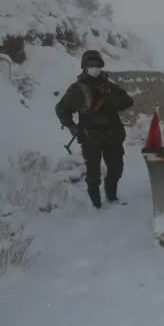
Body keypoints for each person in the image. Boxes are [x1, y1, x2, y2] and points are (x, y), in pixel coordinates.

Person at [55, 49, 134, 209]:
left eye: (96, 64)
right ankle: (96, 205)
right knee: (93, 174)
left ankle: (112, 197)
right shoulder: (78, 89)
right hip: (90, 136)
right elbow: (62, 109)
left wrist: (114, 101)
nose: (94, 67)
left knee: (116, 170)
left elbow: (128, 101)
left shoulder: (109, 86)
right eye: (90, 64)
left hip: (112, 135)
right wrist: (71, 126)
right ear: (84, 66)